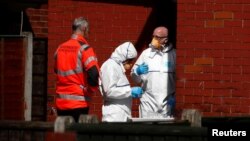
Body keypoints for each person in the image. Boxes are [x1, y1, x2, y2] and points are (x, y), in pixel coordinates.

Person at [54, 17, 100, 122]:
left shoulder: (60, 48)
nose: (89, 32)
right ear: (84, 28)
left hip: (61, 103)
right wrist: (89, 90)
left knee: (65, 136)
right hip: (79, 103)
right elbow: (94, 74)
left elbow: (56, 70)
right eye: (88, 30)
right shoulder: (85, 49)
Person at [131, 26, 176, 118]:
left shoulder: (174, 55)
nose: (154, 39)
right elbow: (135, 79)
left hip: (167, 104)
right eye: (153, 36)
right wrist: (137, 72)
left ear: (165, 39)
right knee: (146, 129)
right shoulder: (146, 54)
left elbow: (179, 79)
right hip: (148, 102)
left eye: (157, 37)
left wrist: (175, 97)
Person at [99, 42, 143, 122]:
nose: (130, 64)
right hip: (113, 116)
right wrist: (130, 91)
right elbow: (109, 91)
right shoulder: (110, 66)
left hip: (121, 115)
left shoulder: (118, 68)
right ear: (123, 58)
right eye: (129, 61)